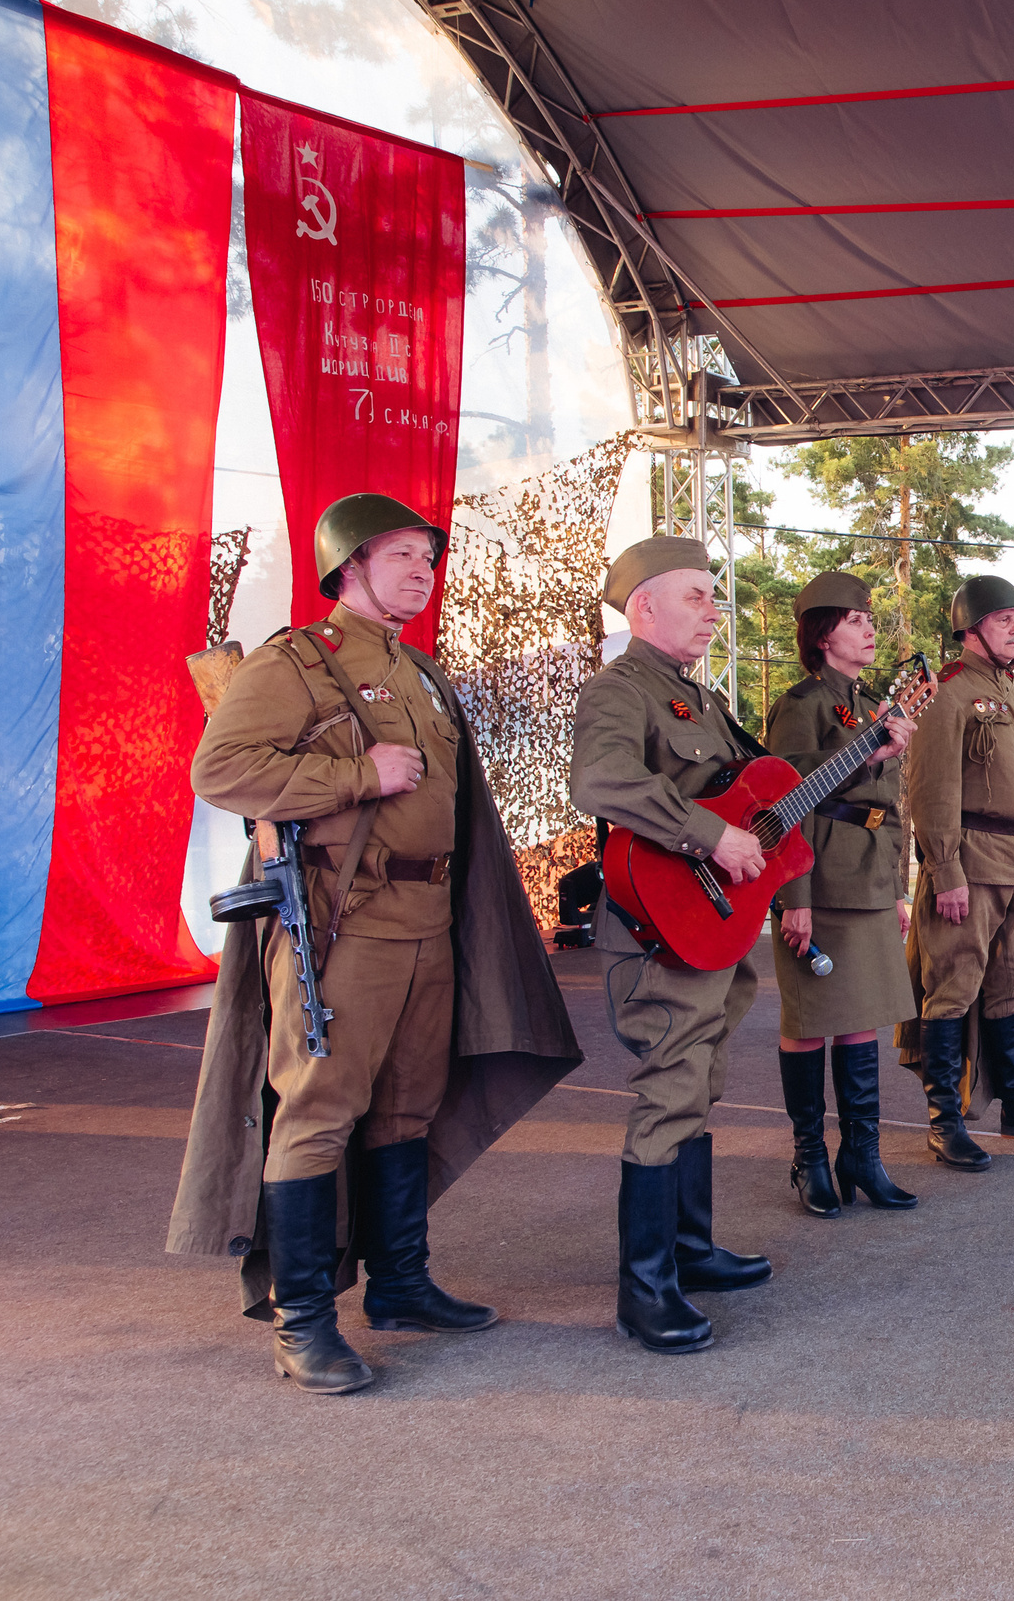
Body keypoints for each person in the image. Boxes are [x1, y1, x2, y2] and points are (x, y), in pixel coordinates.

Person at [172, 493, 579, 1394]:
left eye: (427, 558)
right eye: (400, 555)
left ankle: (398, 1284)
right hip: (345, 921)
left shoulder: (421, 673)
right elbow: (221, 768)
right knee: (320, 1109)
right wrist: (359, 774)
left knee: (407, 1106)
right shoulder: (297, 662)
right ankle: (303, 1321)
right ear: (347, 567)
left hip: (430, 918)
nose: (420, 571)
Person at [571, 538, 782, 1354]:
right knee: (671, 1087)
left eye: (713, 595)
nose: (712, 609)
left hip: (709, 922)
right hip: (658, 927)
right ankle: (645, 1289)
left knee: (702, 1078)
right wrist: (707, 836)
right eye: (694, 595)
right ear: (642, 607)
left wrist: (863, 754)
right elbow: (602, 780)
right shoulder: (619, 689)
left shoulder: (700, 699)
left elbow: (761, 795)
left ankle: (689, 1251)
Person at [900, 576, 1014, 1167]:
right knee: (953, 987)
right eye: (1006, 618)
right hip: (971, 860)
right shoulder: (948, 691)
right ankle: (943, 1120)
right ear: (972, 625)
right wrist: (945, 869)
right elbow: (930, 788)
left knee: (1009, 984)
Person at [759, 571, 920, 1216]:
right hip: (819, 877)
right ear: (824, 634)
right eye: (856, 618)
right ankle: (809, 1160)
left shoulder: (868, 701)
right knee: (809, 1022)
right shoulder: (802, 704)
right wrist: (791, 895)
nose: (870, 627)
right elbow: (782, 803)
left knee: (861, 1019)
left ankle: (862, 1154)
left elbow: (890, 805)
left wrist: (899, 885)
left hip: (870, 875)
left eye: (869, 617)